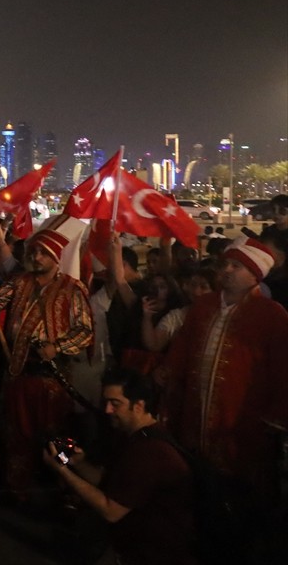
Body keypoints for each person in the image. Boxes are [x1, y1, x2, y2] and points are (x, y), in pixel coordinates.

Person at [162, 237, 288, 505]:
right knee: (198, 485)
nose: (226, 271)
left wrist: (276, 417)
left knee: (240, 492)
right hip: (195, 415)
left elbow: (282, 369)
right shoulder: (204, 305)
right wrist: (168, 374)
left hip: (244, 421)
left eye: (236, 266)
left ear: (255, 274)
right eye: (225, 265)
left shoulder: (272, 315)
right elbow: (183, 346)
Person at [0, 225, 93, 494]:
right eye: (34, 251)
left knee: (58, 436)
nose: (37, 257)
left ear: (55, 257)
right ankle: (18, 487)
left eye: (43, 253)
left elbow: (85, 331)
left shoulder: (72, 288)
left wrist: (57, 346)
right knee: (17, 433)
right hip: (18, 372)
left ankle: (65, 485)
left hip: (53, 379)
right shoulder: (20, 281)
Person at [44, 369, 196, 565]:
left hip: (152, 556)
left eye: (115, 404)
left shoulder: (151, 451)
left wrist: (61, 471)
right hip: (132, 547)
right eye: (106, 402)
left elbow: (110, 510)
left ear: (139, 406)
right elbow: (107, 483)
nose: (107, 410)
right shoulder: (137, 438)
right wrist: (74, 463)